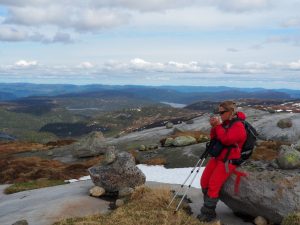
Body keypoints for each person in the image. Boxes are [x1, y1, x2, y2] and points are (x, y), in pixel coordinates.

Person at [197, 100, 247, 222]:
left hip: (228, 161)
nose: (220, 115)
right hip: (218, 157)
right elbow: (215, 138)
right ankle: (208, 207)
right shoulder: (225, 123)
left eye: (222, 112)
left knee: (214, 184)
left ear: (231, 112)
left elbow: (227, 140)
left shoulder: (238, 125)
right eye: (219, 112)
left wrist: (218, 126)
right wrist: (214, 127)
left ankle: (208, 213)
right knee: (204, 181)